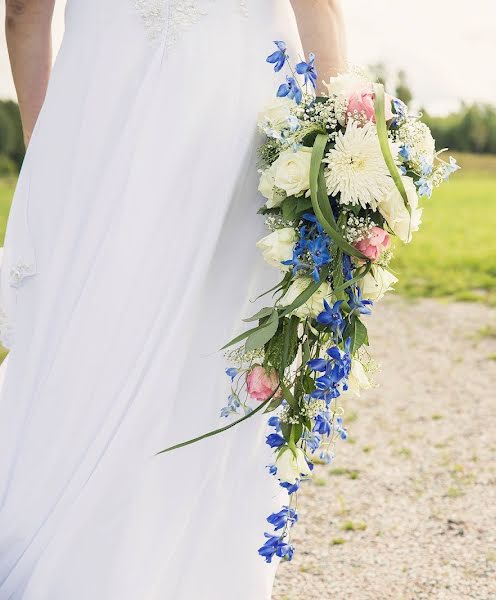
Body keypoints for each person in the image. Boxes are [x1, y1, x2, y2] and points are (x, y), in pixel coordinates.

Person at [0, 1, 347, 597]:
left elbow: (23, 13)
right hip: (235, 106)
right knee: (220, 340)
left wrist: (49, 139)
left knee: (93, 330)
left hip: (97, 109)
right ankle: (196, 573)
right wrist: (340, 140)